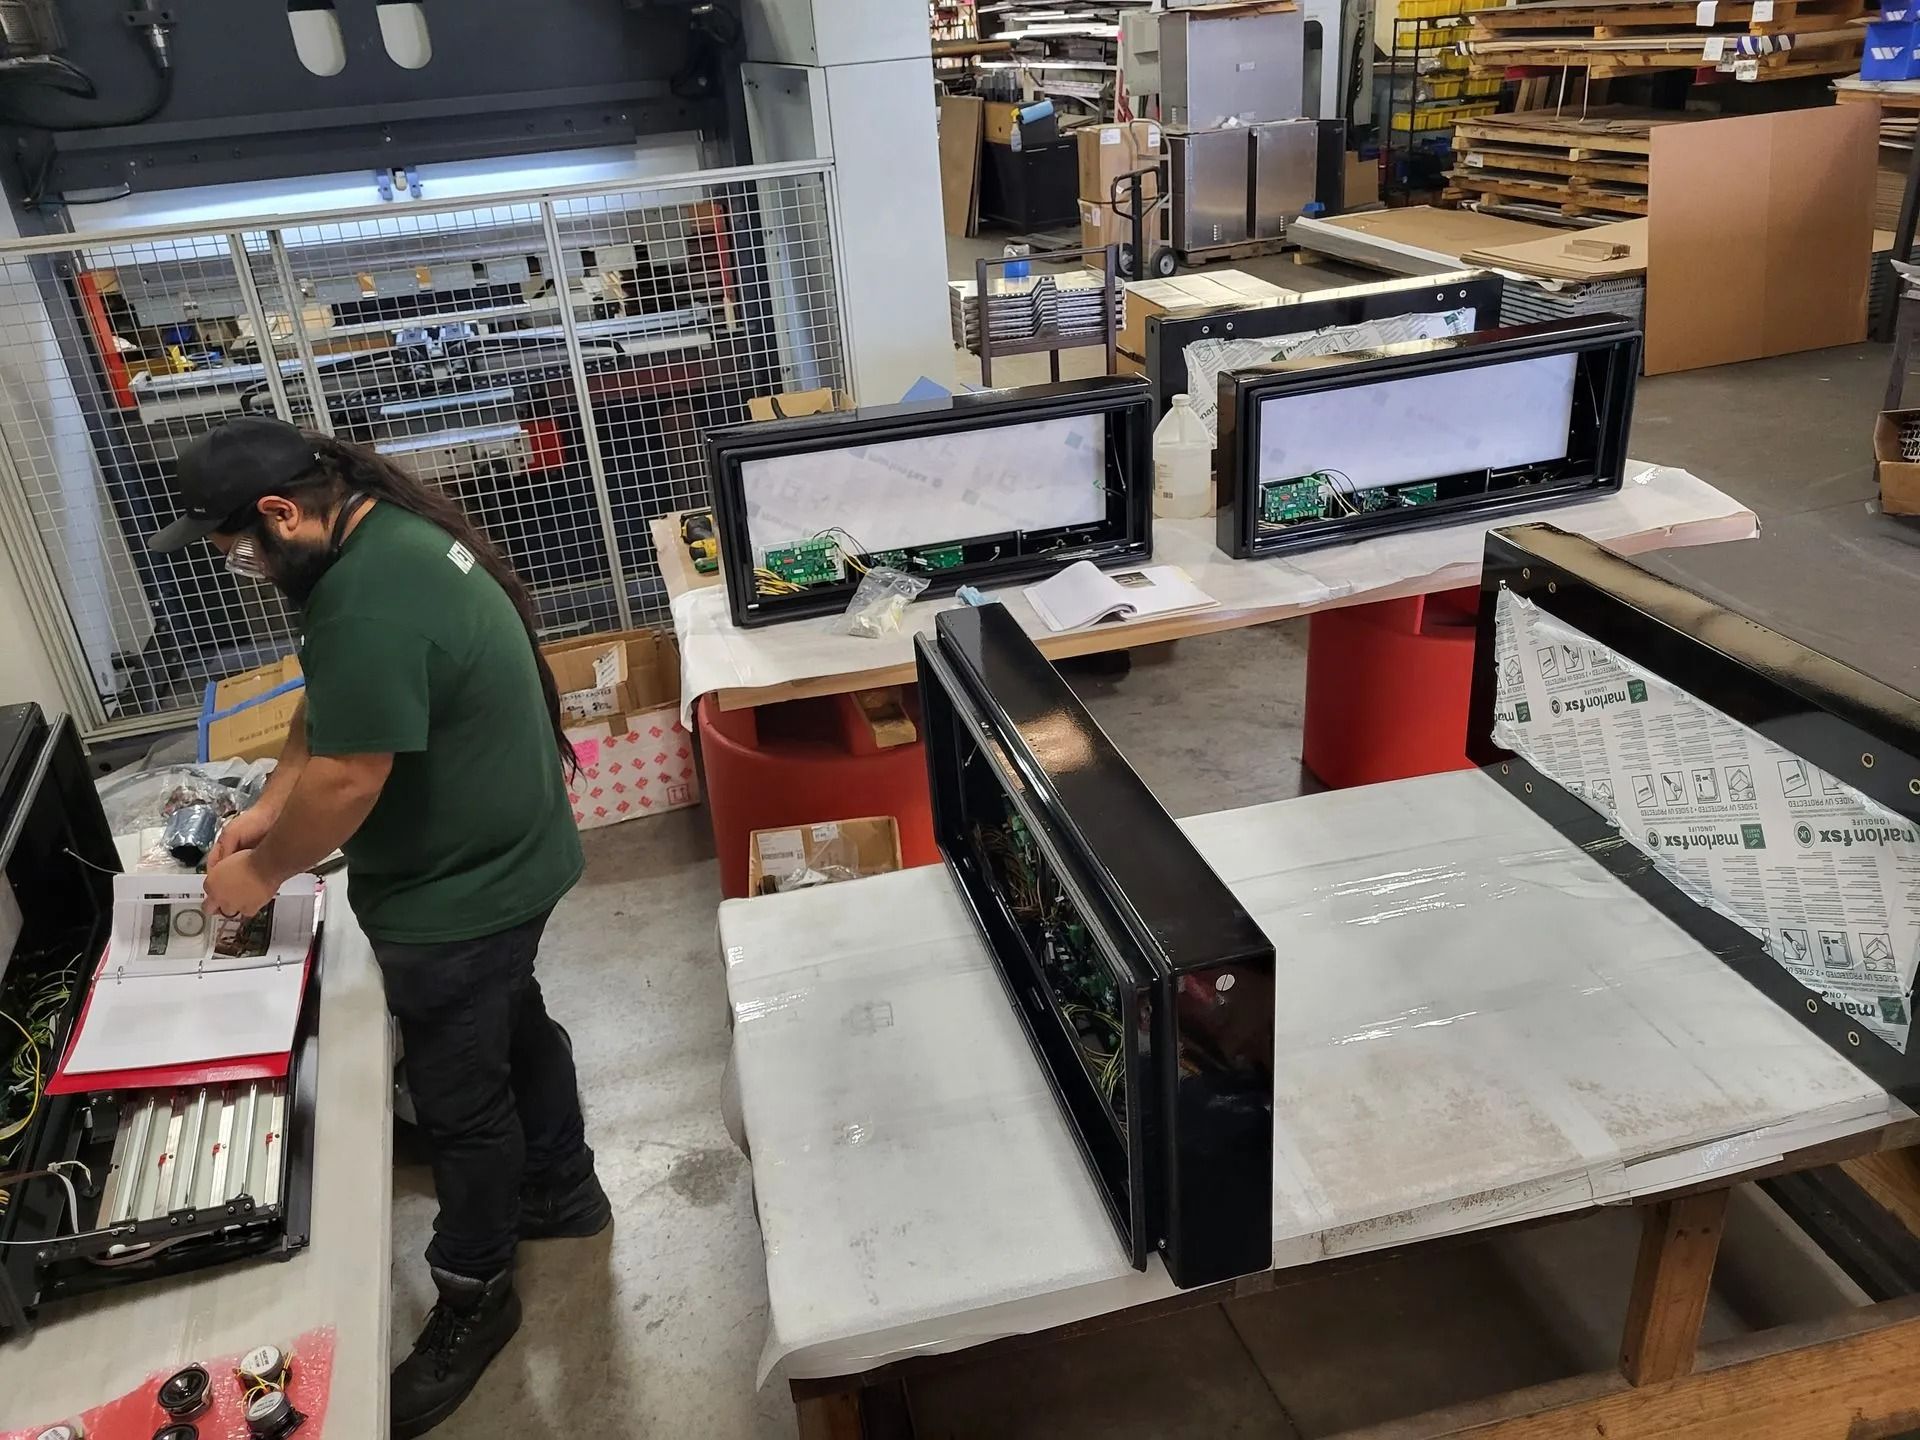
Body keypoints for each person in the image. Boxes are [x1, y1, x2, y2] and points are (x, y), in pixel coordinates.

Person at [151, 417, 611, 1439]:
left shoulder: (366, 596)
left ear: (280, 514)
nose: (242, 568)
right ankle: (563, 1190)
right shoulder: (376, 537)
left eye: (237, 550)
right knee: (515, 1026)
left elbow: (356, 774)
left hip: (464, 890)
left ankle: (475, 1290)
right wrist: (272, 804)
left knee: (463, 1099)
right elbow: (335, 705)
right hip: (512, 856)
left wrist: (260, 874)